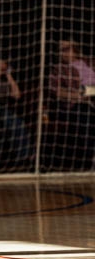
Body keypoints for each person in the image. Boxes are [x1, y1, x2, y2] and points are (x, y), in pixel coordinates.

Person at [45, 39, 94, 170]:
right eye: (61, 50)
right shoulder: (58, 69)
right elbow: (57, 92)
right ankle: (88, 161)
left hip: (89, 97)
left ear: (75, 50)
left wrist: (87, 93)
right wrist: (79, 96)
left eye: (67, 49)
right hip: (72, 105)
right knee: (84, 115)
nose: (64, 53)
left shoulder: (87, 63)